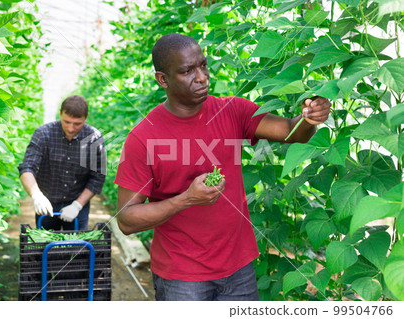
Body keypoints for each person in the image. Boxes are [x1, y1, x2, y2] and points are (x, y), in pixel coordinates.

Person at [114, 33, 330, 301]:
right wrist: (187, 199)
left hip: (239, 269)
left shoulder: (233, 110)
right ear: (163, 79)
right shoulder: (144, 137)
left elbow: (291, 131)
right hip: (182, 277)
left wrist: (309, 118)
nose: (202, 77)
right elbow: (126, 219)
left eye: (203, 65)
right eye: (187, 71)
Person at [19, 95, 106, 231]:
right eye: (66, 122)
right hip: (47, 202)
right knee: (46, 245)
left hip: (78, 203)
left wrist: (77, 205)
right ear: (60, 114)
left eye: (77, 124)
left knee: (75, 248)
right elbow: (27, 167)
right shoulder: (43, 134)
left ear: (85, 118)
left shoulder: (93, 138)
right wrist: (36, 196)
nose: (71, 128)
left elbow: (97, 178)